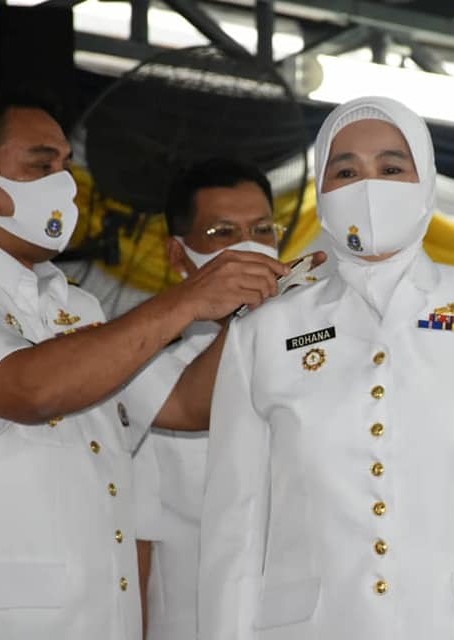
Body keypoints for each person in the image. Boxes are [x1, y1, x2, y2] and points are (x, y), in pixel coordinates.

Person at [0, 93, 289, 640]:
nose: (64, 184)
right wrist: (189, 299)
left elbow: (187, 404)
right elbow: (31, 388)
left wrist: (248, 306)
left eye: (66, 166)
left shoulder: (76, 306)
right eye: (41, 165)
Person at [197, 96, 454, 640]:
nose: (369, 187)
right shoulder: (263, 329)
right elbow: (234, 530)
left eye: (391, 168)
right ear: (321, 189)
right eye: (345, 171)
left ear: (426, 179)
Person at [134, 158, 283, 640]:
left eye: (262, 230)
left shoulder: (314, 355)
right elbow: (135, 540)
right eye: (223, 232)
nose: (249, 248)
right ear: (178, 256)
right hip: (191, 623)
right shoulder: (144, 375)